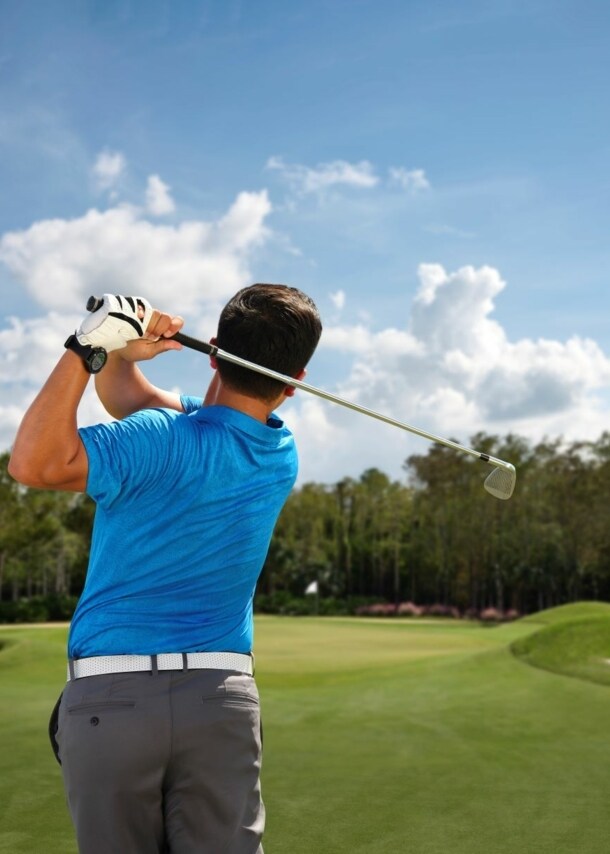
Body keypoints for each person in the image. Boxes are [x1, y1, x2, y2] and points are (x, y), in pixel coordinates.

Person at [8, 283, 322, 854]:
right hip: (221, 703)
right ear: (296, 379)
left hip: (111, 701)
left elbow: (33, 463)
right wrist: (122, 354)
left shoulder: (157, 438)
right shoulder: (278, 453)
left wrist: (88, 349)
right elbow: (135, 397)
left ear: (214, 351)